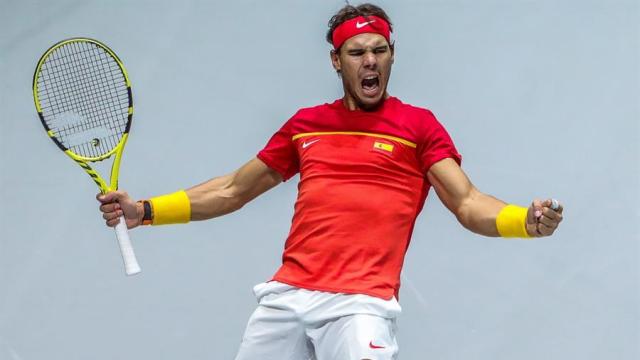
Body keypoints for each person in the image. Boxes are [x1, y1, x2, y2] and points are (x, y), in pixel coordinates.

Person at [97, 3, 564, 359]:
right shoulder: (307, 125)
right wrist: (145, 212)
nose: (370, 62)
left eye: (379, 51)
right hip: (288, 296)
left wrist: (525, 220)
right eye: (357, 53)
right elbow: (232, 190)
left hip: (361, 304)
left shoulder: (418, 127)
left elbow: (467, 203)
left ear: (392, 55)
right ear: (336, 61)